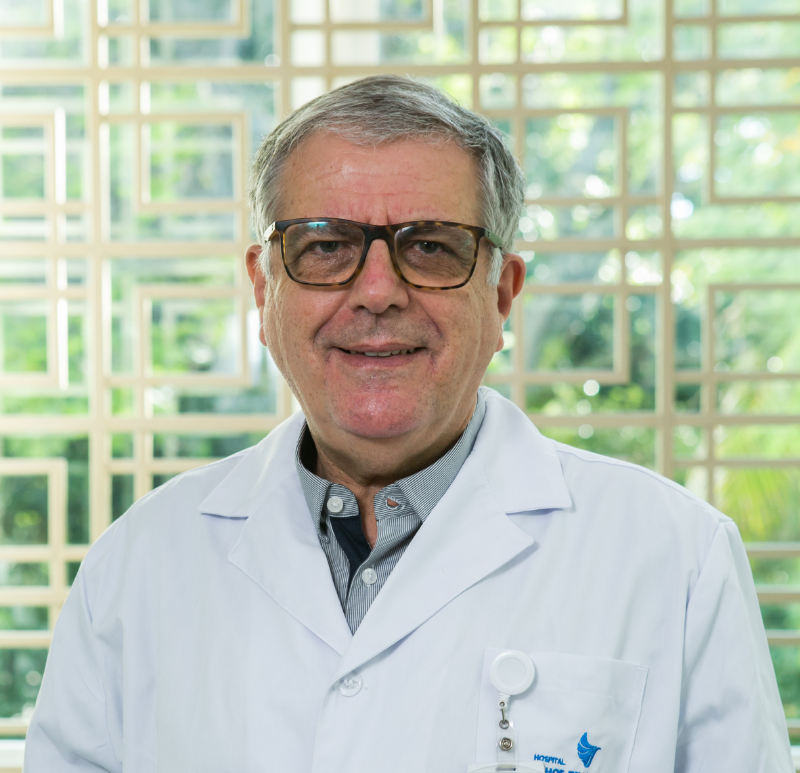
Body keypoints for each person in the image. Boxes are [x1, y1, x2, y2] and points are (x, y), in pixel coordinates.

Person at [25, 75, 792, 772]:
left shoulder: (676, 557)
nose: (378, 291)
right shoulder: (137, 564)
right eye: (326, 246)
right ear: (263, 290)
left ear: (502, 293)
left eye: (429, 247)